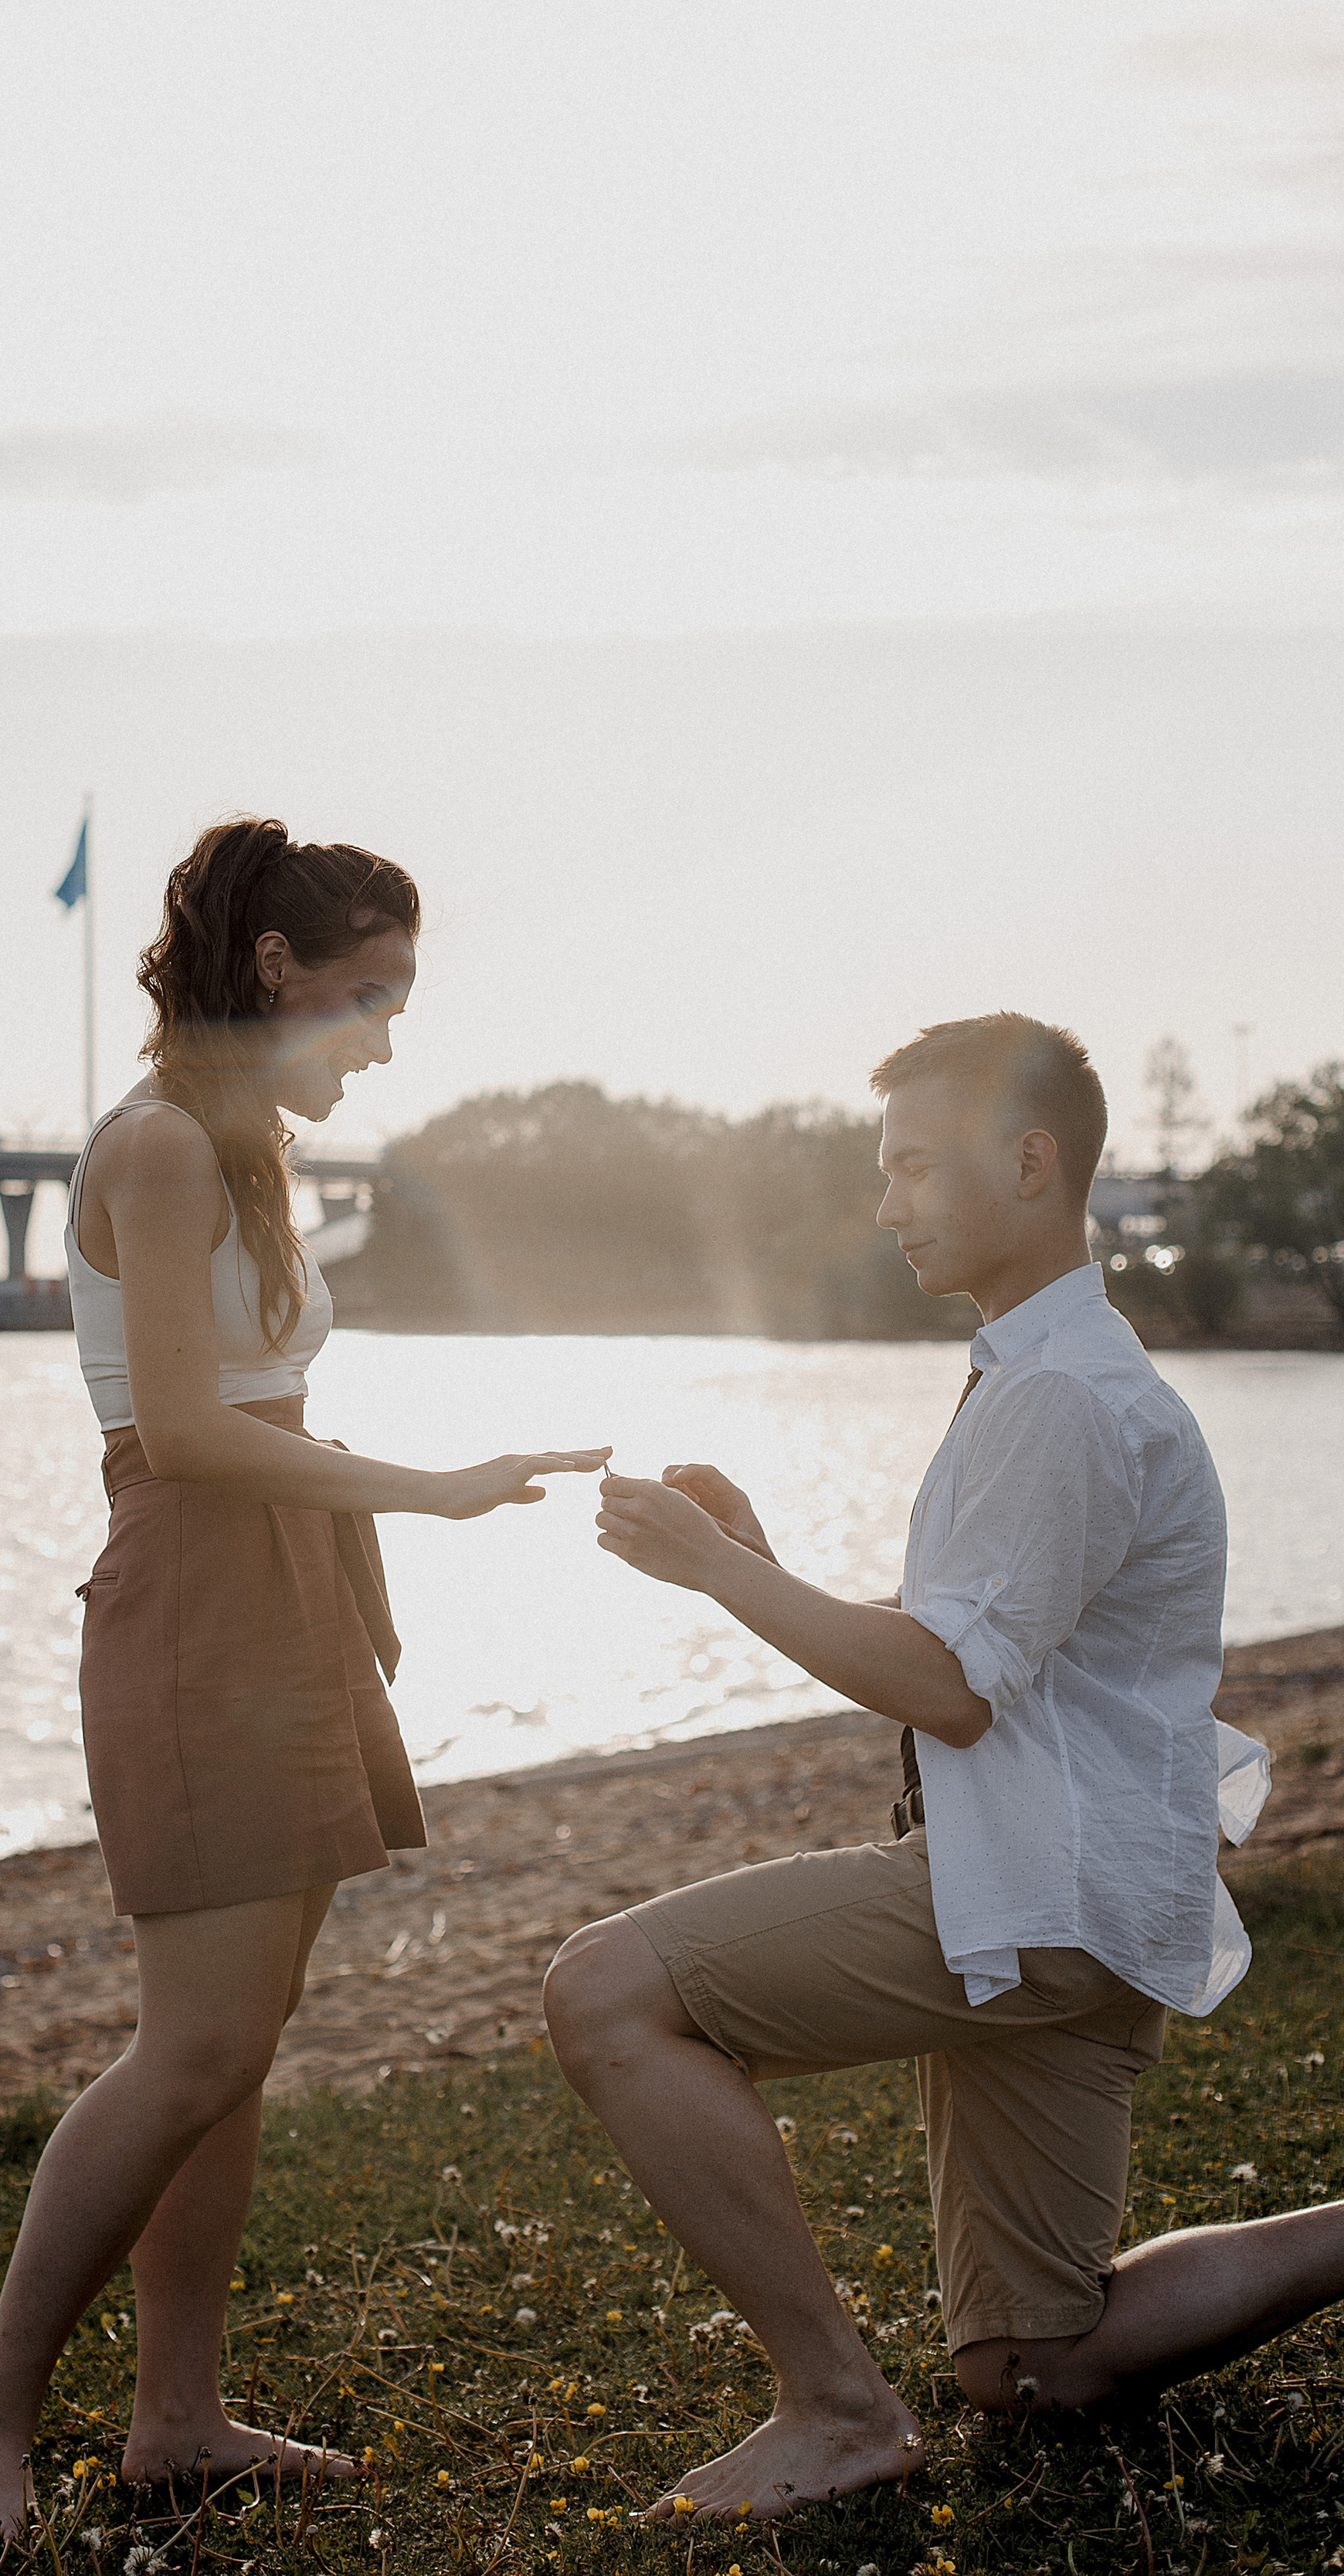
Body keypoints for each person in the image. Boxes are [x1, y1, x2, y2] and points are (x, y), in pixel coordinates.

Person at [545, 1013, 1342, 2531]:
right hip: (1085, 1899)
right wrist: (768, 1564)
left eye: (913, 1165)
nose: (886, 1202)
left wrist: (717, 1569)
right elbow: (971, 1647)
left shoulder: (1060, 1397)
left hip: (1033, 1892)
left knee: (605, 1991)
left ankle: (836, 2411)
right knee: (1036, 2362)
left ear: (1030, 1163)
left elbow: (951, 1693)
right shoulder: (1055, 1375)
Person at [0, 817, 606, 2540]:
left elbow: (258, 1403)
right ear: (272, 969)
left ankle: (177, 2420)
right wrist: (428, 1491)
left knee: (239, 2043)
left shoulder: (245, 1153)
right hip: (197, 1594)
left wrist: (378, 1519)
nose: (382, 1042)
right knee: (195, 2045)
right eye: (368, 1000)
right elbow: (176, 1431)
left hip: (286, 1584)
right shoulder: (160, 1148)